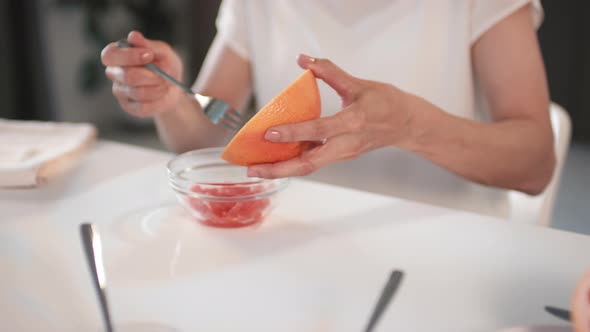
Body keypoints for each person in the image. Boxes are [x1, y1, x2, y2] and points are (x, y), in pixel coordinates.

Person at [101, 0, 555, 218]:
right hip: (292, 244)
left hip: (445, 253)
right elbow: (201, 139)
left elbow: (535, 164)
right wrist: (169, 99)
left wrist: (411, 125)